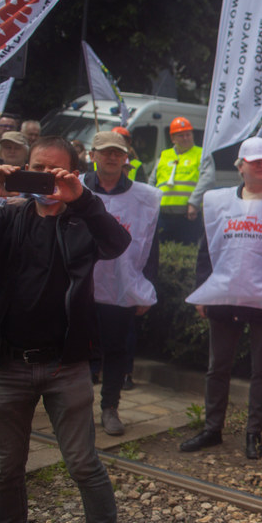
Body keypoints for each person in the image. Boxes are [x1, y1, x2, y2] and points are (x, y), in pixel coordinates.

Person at [0, 135, 131, 523]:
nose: (45, 178)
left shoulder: (82, 221)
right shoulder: (6, 216)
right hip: (8, 364)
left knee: (83, 463)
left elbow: (116, 244)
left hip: (66, 364)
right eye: (37, 167)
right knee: (3, 469)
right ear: (21, 167)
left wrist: (84, 201)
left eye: (56, 171)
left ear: (73, 175)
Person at [180, 137, 262, 459]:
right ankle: (212, 429)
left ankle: (254, 433)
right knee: (217, 366)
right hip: (224, 296)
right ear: (240, 167)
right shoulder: (219, 202)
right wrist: (201, 290)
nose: (261, 165)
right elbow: (207, 249)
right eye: (253, 161)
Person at [83, 132, 162, 436]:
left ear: (126, 157)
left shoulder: (145, 196)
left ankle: (110, 407)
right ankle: (73, 409)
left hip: (121, 287)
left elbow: (151, 246)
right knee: (75, 350)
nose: (112, 158)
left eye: (118, 153)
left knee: (116, 350)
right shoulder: (75, 187)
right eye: (106, 153)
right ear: (93, 155)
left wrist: (147, 287)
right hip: (79, 287)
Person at [152, 116, 214, 243]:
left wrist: (194, 203)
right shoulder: (165, 155)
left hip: (188, 215)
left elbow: (208, 179)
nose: (186, 138)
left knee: (187, 253)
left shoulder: (202, 154)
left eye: (188, 134)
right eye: (181, 135)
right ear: (172, 138)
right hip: (162, 215)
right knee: (161, 253)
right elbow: (152, 181)